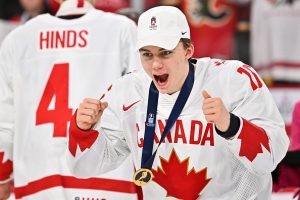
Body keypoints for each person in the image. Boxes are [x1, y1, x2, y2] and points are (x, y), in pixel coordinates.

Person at [67, 5, 290, 199]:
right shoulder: (127, 91)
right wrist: (83, 131)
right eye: (147, 55)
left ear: (188, 50)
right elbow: (82, 168)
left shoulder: (234, 79)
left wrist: (231, 125)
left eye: (165, 53)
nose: (155, 65)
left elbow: (271, 157)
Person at [0, 0, 140, 199]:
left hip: (37, 181)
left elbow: (4, 122)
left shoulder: (18, 38)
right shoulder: (123, 29)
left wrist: (2, 177)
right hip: (106, 180)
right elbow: (142, 103)